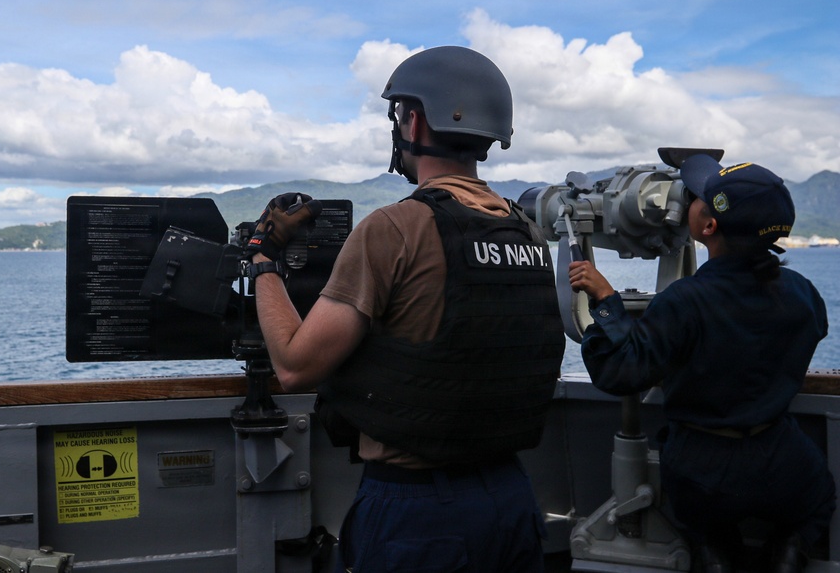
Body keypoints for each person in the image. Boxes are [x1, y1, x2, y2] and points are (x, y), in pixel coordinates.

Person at [243, 46, 566, 572]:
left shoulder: (394, 228)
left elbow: (295, 367)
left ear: (414, 120)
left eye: (399, 114)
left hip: (421, 512)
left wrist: (263, 260)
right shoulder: (524, 230)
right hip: (511, 499)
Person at [568, 155, 835, 573]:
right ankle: (790, 552)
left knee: (704, 526)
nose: (688, 199)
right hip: (781, 457)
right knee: (815, 500)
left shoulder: (685, 301)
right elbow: (801, 332)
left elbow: (619, 373)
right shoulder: (802, 293)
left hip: (704, 468)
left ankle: (712, 554)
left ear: (708, 227)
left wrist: (607, 303)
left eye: (695, 197)